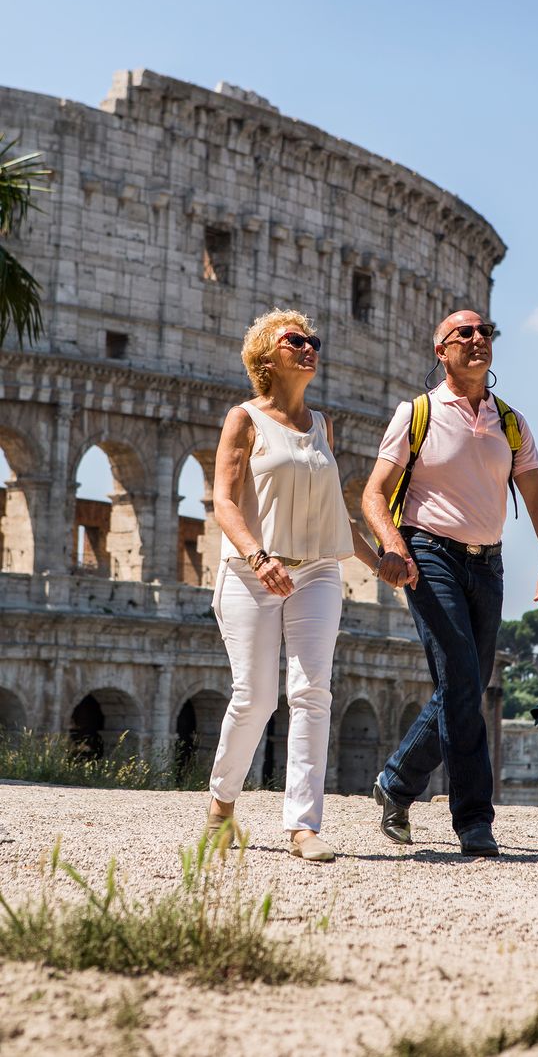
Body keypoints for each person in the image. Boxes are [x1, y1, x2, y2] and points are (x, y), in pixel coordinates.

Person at [362, 308, 538, 857]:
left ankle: (396, 782)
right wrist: (394, 545)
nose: (479, 340)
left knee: (465, 686)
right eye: (465, 333)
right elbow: (374, 494)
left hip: (488, 563)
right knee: (460, 674)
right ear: (441, 351)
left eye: (485, 333)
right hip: (428, 555)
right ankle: (474, 820)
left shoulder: (511, 421)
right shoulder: (417, 413)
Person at [207, 308, 382, 862]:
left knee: (311, 693)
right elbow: (224, 501)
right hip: (252, 571)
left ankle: (303, 826)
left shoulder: (323, 424)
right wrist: (258, 557)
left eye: (314, 341)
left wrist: (381, 564)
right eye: (295, 341)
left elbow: (337, 514)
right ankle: (222, 803)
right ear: (266, 357)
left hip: (318, 571)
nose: (310, 348)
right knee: (254, 698)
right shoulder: (245, 419)